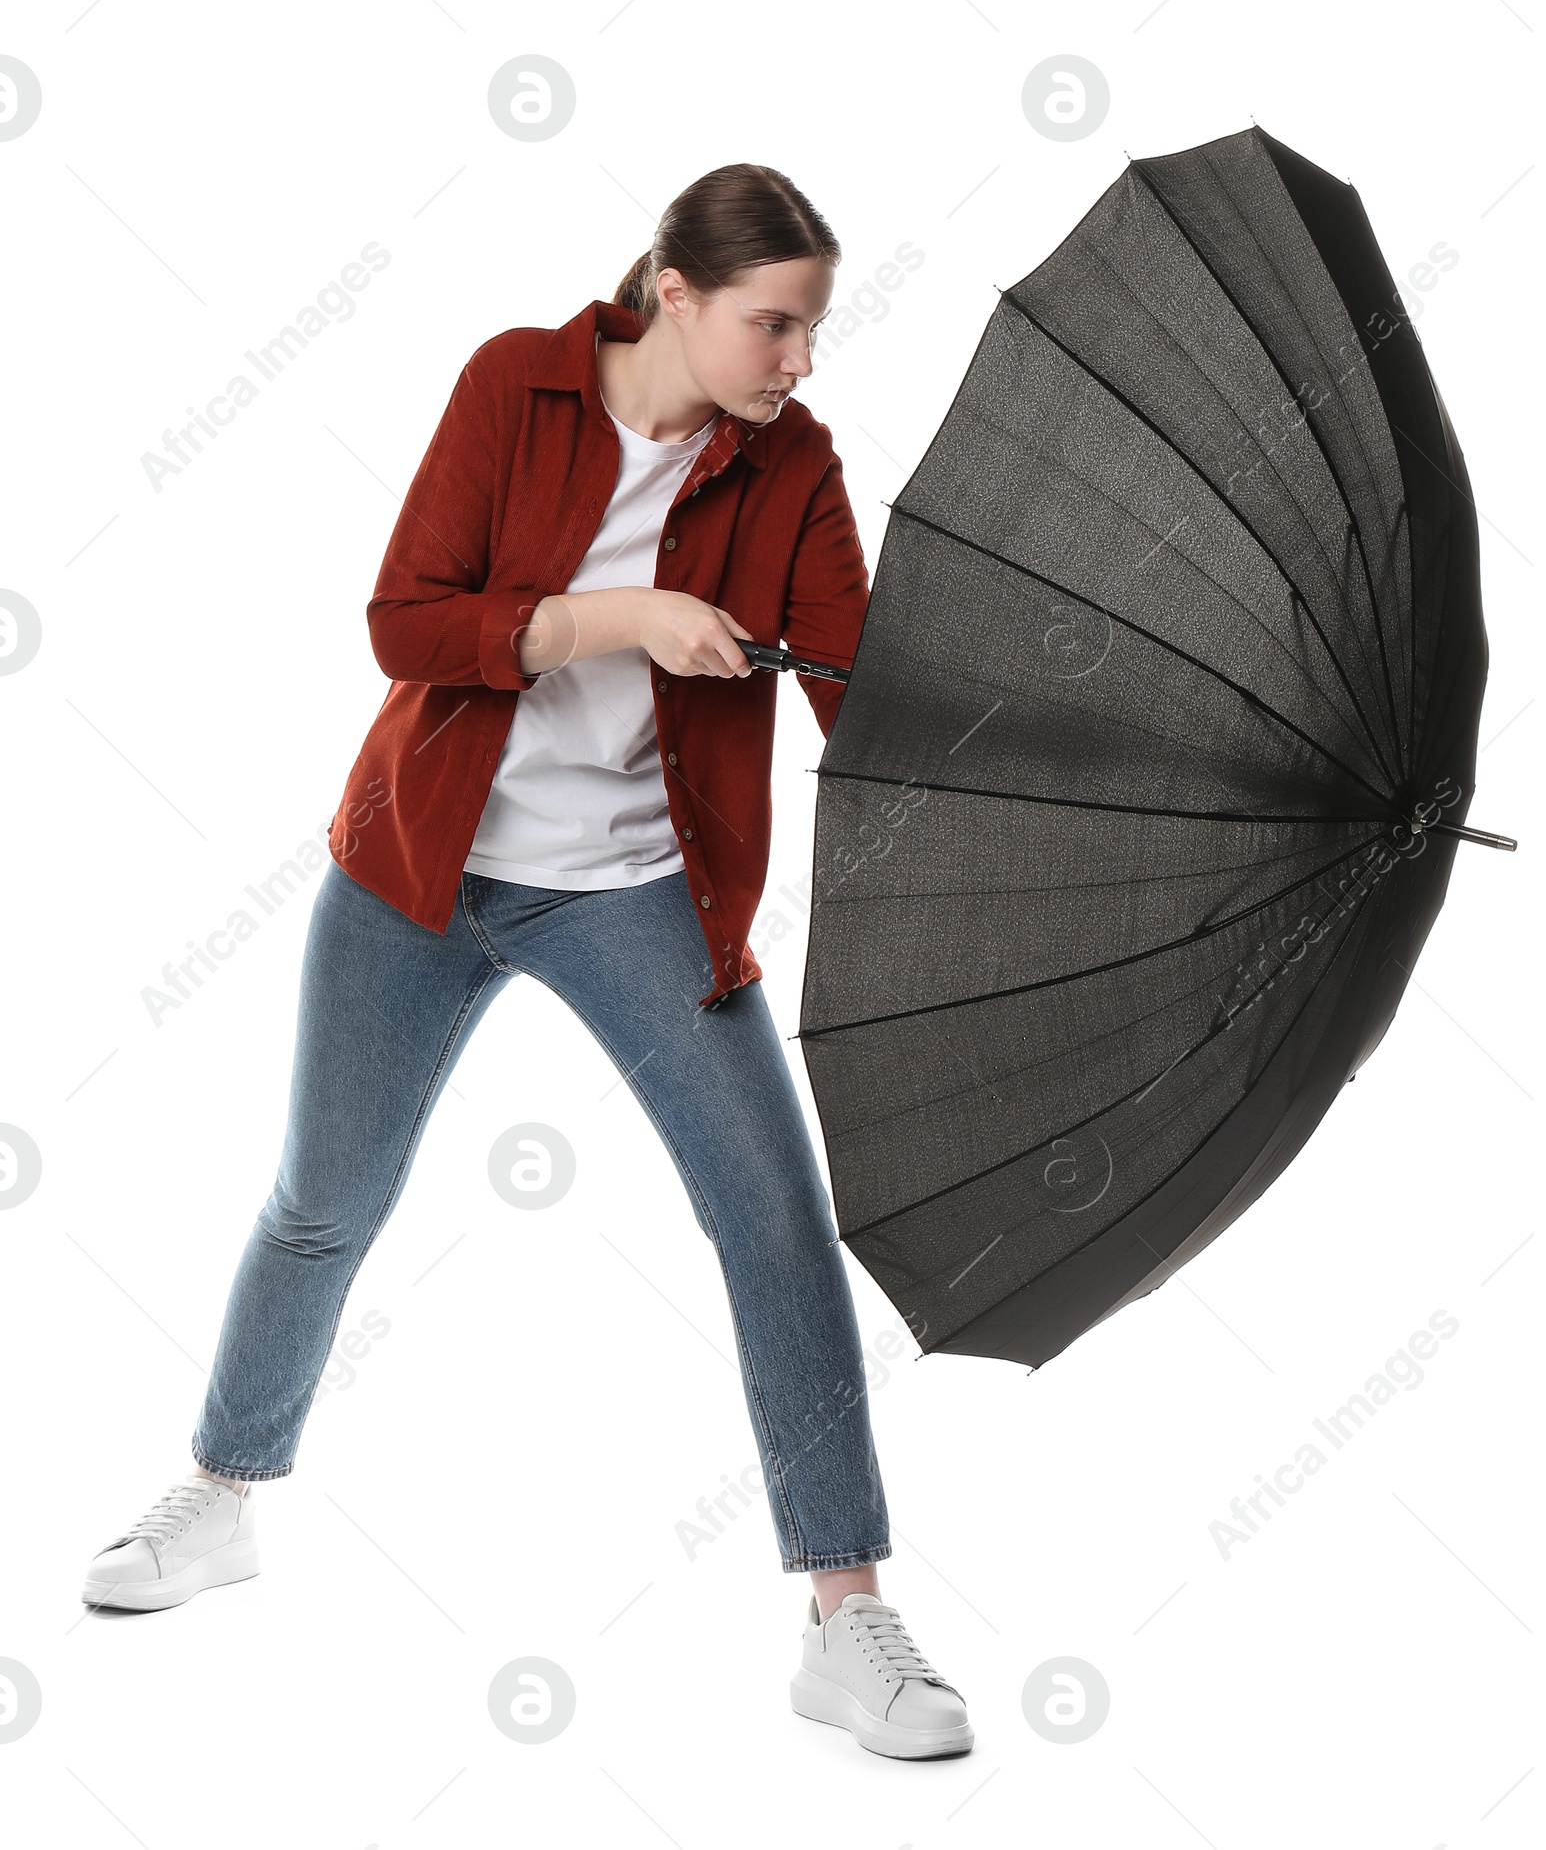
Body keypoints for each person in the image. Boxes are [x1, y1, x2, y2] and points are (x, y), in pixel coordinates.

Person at [81, 163, 973, 1760]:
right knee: (323, 1202)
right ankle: (221, 1496)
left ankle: (847, 1617)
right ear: (676, 297)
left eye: (812, 330)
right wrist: (625, 615)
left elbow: (868, 693)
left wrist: (1073, 739)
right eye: (774, 325)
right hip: (422, 869)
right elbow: (407, 625)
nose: (798, 361)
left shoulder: (796, 469)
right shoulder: (517, 383)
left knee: (773, 1218)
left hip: (641, 894)